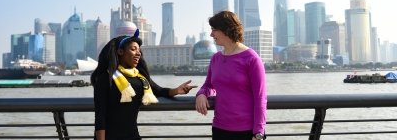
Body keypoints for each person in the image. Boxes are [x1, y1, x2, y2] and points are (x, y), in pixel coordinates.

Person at [91, 29, 197, 140]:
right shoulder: (106, 78)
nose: (138, 53)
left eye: (139, 50)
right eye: (133, 49)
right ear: (120, 51)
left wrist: (177, 90)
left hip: (133, 136)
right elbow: (100, 116)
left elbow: (159, 91)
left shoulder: (140, 77)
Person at [195, 11, 267, 140]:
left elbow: (260, 98)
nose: (211, 34)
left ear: (226, 30)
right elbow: (208, 85)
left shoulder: (252, 58)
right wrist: (201, 93)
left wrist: (258, 133)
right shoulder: (216, 59)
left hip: (246, 131)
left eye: (214, 30)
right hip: (219, 129)